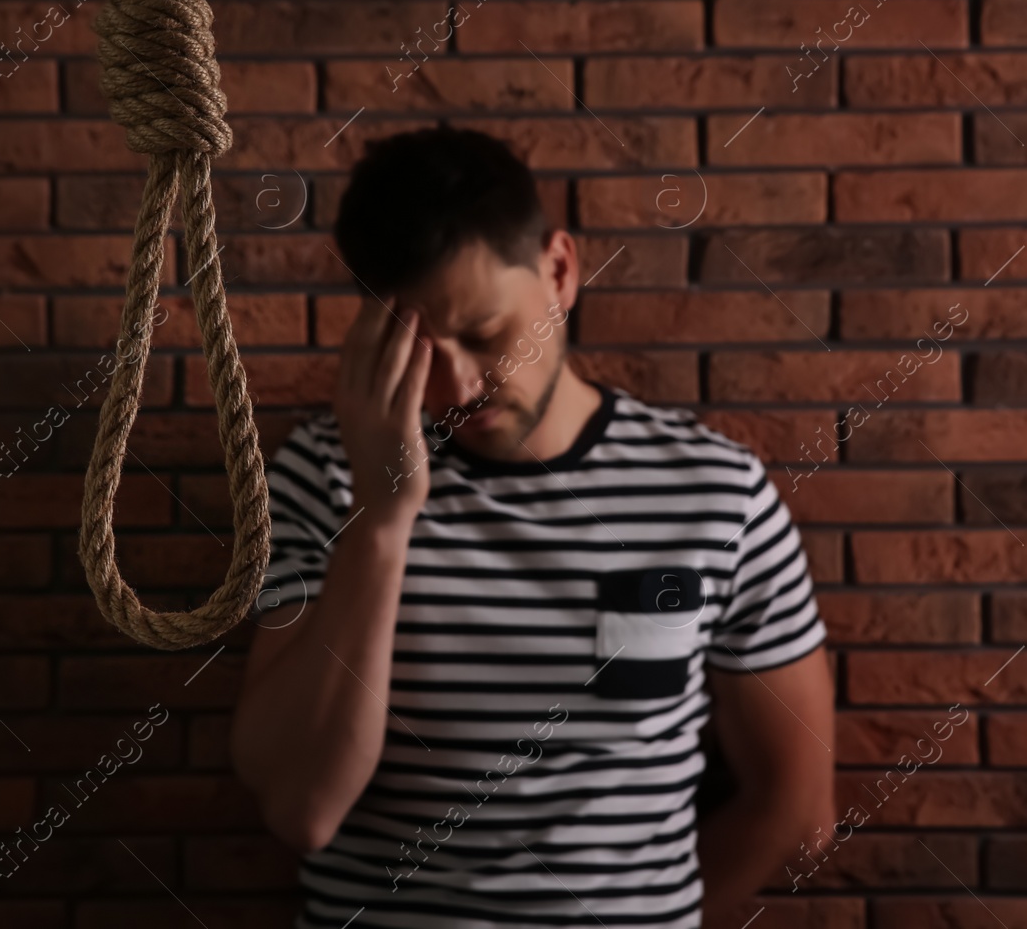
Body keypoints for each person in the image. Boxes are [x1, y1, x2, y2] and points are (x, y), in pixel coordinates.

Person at [228, 127, 835, 928]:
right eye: (419, 350)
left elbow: (795, 808)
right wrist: (381, 521)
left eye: (485, 334)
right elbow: (302, 806)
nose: (460, 385)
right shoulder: (322, 477)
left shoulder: (716, 494)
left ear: (559, 270)